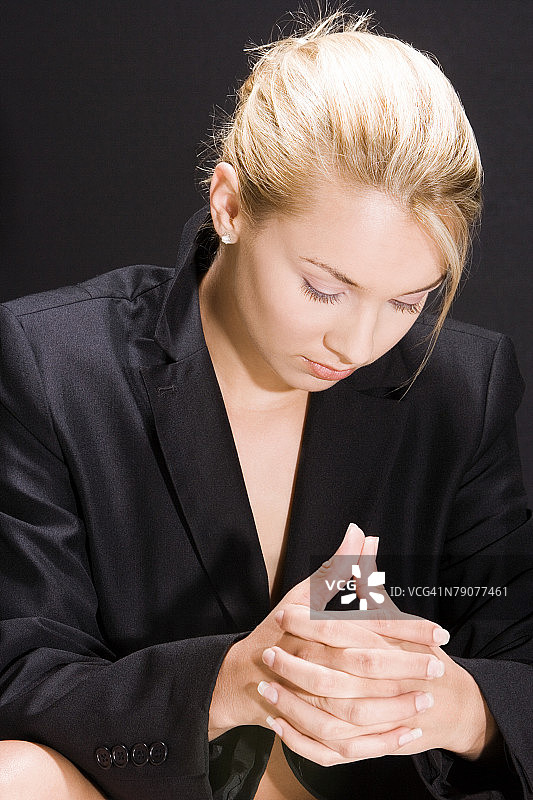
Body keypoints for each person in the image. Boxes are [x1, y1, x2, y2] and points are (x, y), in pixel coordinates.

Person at [0, 9, 531, 800]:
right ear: (230, 206)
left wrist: (453, 705)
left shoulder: (459, 385)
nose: (356, 344)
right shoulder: (54, 363)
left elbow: (518, 656)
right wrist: (228, 683)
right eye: (324, 286)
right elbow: (21, 666)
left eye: (408, 301)